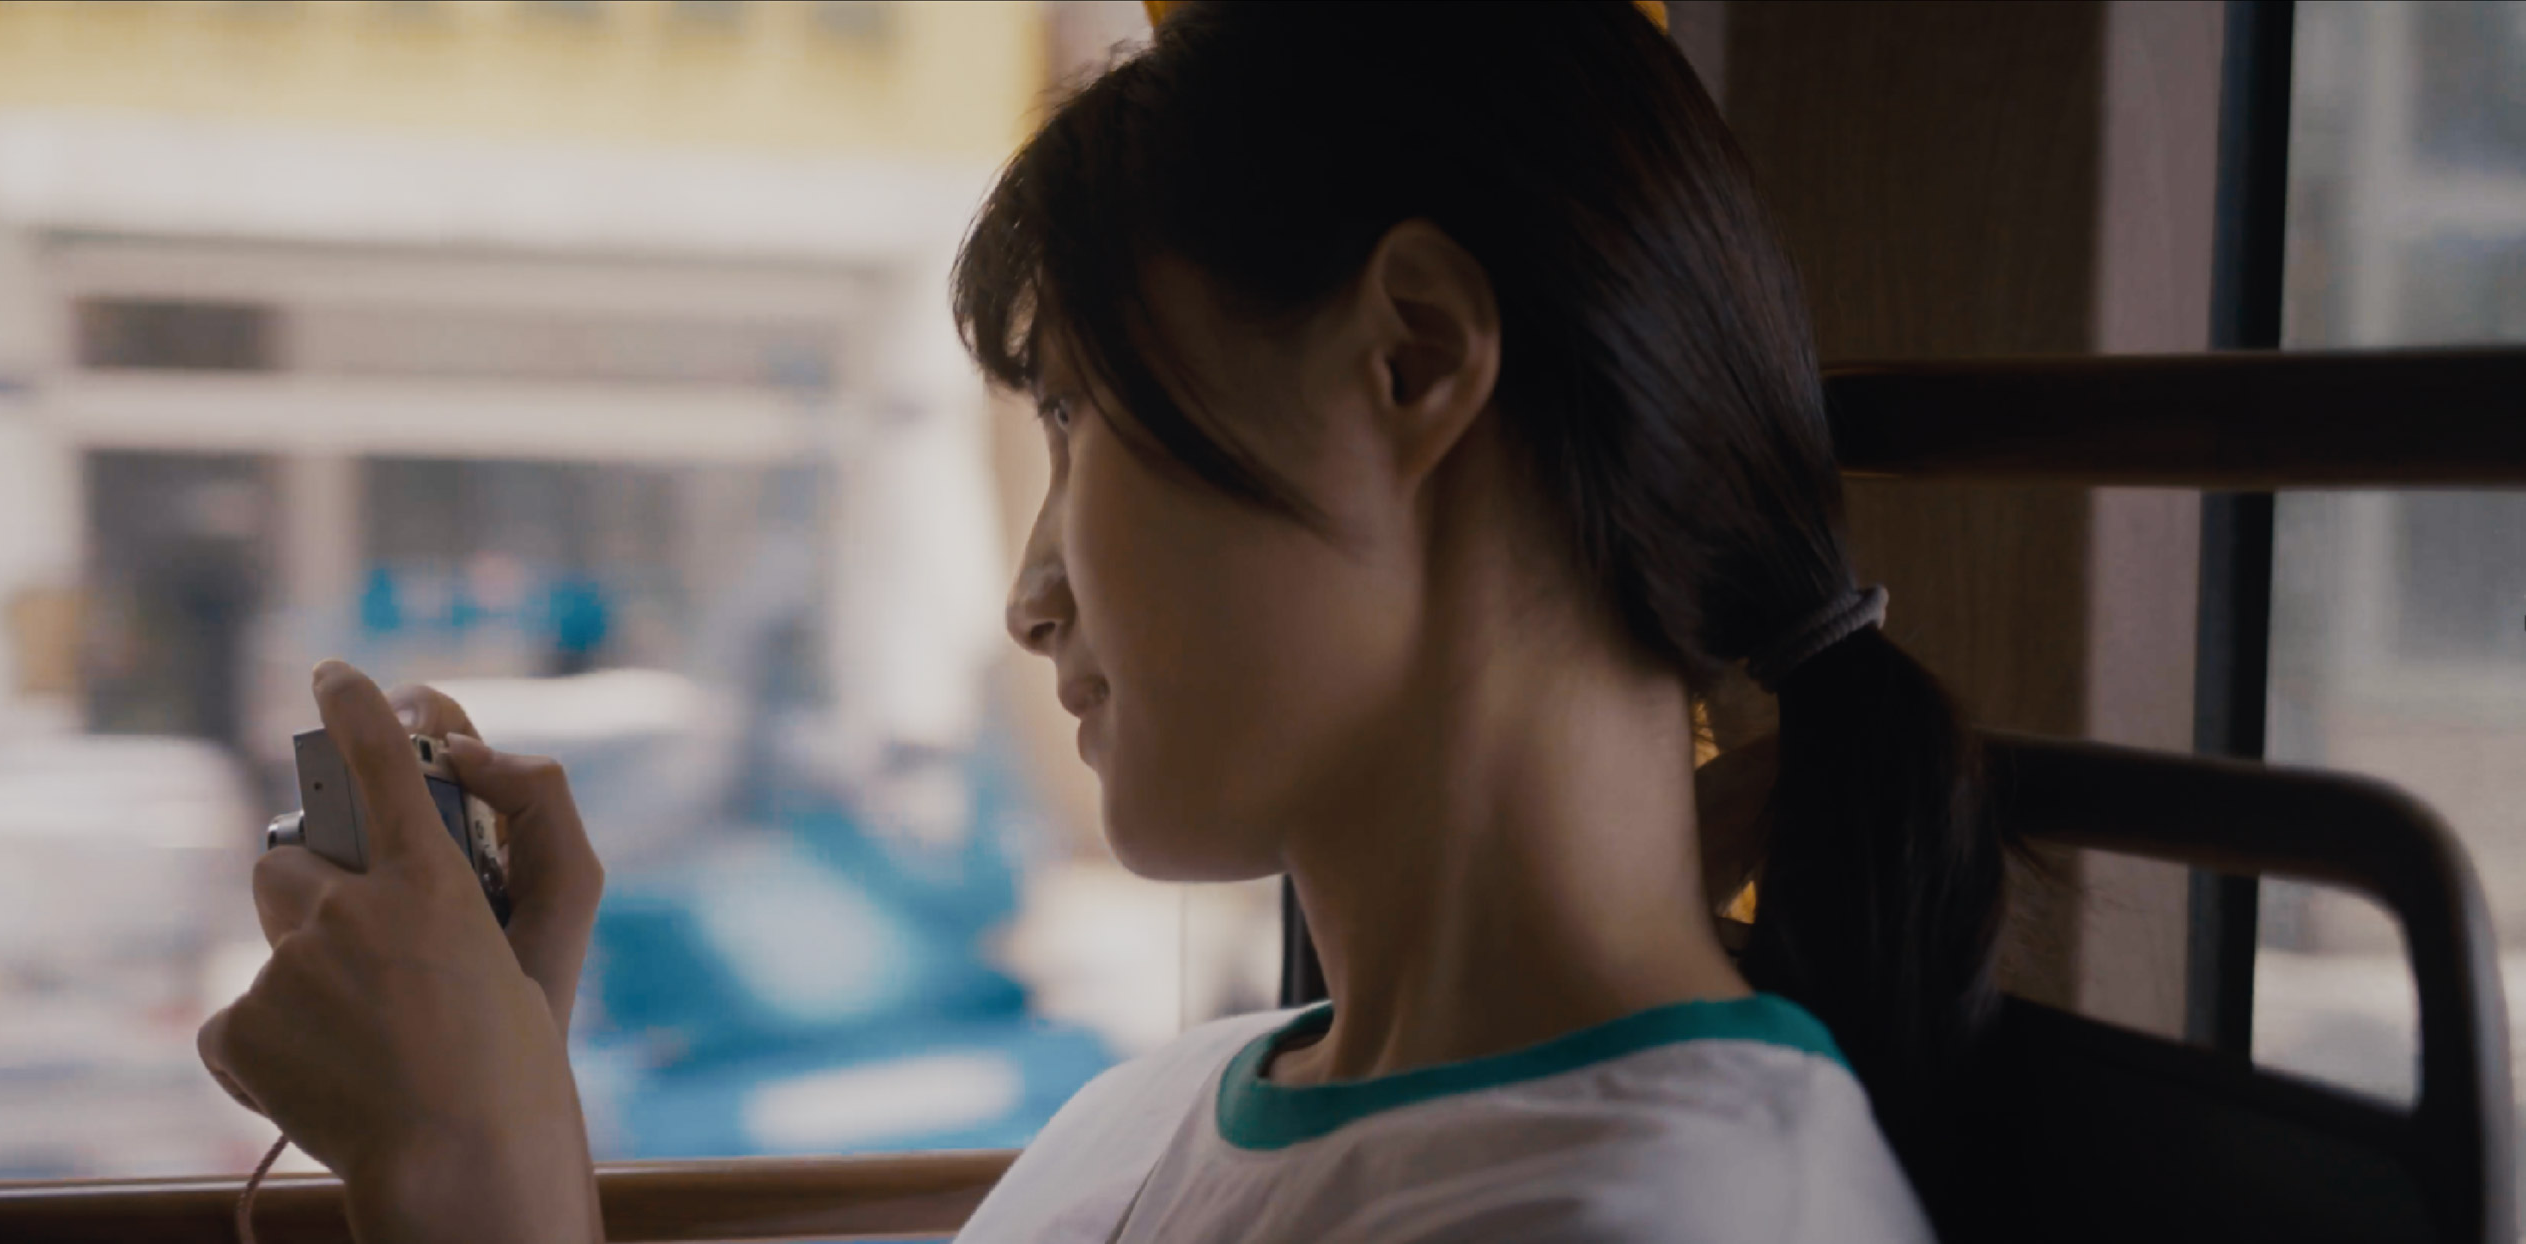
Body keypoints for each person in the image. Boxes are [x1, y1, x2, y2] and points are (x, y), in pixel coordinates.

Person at [197, 4, 2006, 1241]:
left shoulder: (1674, 1210)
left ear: (1411, 361)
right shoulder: (1164, 1110)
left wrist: (480, 1179)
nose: (1028, 592)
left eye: (1074, 416)